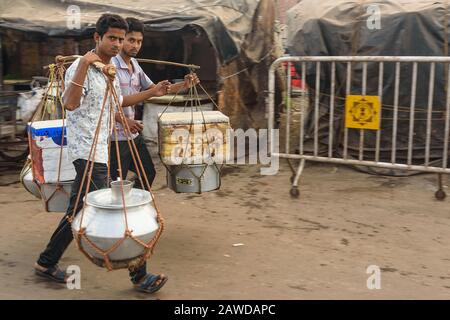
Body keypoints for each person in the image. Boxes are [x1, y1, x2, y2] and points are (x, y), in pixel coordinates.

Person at [34, 13, 171, 294]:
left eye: (121, 39)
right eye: (113, 38)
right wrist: (84, 63)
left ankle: (46, 262)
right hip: (86, 150)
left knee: (78, 210)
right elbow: (70, 104)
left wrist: (135, 110)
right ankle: (139, 275)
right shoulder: (80, 67)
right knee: (109, 209)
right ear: (97, 38)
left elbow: (116, 102)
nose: (118, 44)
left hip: (102, 149)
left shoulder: (110, 71)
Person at [110, 17, 199, 188]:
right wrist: (123, 119)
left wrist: (184, 85)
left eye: (139, 41)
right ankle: (121, 210)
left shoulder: (135, 65)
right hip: (113, 138)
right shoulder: (111, 66)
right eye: (131, 40)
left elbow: (156, 90)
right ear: (121, 40)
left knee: (147, 173)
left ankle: (133, 205)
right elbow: (104, 104)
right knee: (112, 182)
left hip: (132, 134)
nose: (135, 45)